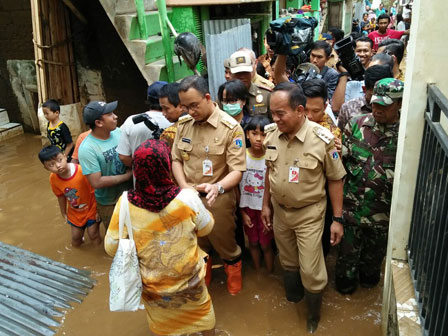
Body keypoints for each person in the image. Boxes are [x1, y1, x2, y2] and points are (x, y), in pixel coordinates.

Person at [105, 140, 216, 336]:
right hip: (191, 284)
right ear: (166, 166)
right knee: (204, 324)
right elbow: (207, 228)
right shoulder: (187, 198)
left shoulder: (124, 204)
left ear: (138, 169)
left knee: (163, 329)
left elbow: (111, 247)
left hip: (154, 289)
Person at [261, 82, 346, 333]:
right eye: (272, 113)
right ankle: (294, 299)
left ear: (300, 110)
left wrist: (337, 219)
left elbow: (335, 179)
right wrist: (265, 205)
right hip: (280, 211)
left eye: (280, 113)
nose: (275, 119)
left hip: (310, 213)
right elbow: (270, 171)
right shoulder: (271, 134)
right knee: (287, 260)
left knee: (311, 269)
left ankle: (312, 315)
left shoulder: (322, 140)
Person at [171, 75, 246, 295]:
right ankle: (205, 282)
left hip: (218, 198)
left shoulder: (230, 128)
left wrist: (218, 187)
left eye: (194, 105)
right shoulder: (183, 125)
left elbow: (237, 170)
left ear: (207, 98)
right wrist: (184, 187)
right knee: (197, 244)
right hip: (189, 197)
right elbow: (176, 159)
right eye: (185, 107)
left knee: (225, 244)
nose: (189, 112)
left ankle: (234, 281)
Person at [335, 78, 404, 294]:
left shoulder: (406, 136)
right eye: (375, 103)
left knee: (370, 277)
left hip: (382, 220)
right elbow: (340, 169)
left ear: (400, 104)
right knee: (344, 279)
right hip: (351, 215)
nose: (378, 109)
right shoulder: (356, 125)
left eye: (385, 105)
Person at [301, 79, 342, 259]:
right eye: (305, 109)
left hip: (321, 193)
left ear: (325, 106)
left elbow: (335, 177)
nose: (309, 116)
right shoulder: (293, 123)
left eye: (315, 111)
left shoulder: (332, 135)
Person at [78, 101, 132, 230]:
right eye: (110, 114)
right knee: (116, 239)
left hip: (130, 195)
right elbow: (96, 182)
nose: (115, 116)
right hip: (109, 202)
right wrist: (128, 176)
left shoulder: (118, 133)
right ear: (99, 123)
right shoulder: (87, 148)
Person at [39, 145, 101, 247]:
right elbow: (60, 196)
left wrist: (98, 210)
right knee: (76, 238)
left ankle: (98, 254)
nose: (58, 165)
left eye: (59, 160)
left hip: (91, 208)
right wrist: (63, 213)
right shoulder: (53, 179)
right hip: (75, 212)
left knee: (93, 234)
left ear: (65, 156)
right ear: (46, 168)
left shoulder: (81, 171)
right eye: (51, 165)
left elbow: (95, 190)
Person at [239, 115, 274, 272]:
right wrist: (241, 213)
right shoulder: (241, 156)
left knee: (266, 245)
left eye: (263, 134)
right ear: (247, 135)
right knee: (252, 243)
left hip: (266, 209)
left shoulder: (271, 158)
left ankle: (269, 273)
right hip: (247, 209)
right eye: (254, 133)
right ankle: (258, 272)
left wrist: (270, 211)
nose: (259, 139)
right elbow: (235, 187)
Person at [117, 81, 172, 168]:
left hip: (142, 179)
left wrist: (141, 168)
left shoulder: (131, 121)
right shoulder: (176, 120)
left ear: (148, 99)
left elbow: (123, 157)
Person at [274, 41, 340, 102]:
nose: (314, 60)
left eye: (319, 57)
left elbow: (329, 98)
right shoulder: (303, 68)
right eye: (313, 55)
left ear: (327, 58)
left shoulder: (332, 74)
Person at [337, 64, 393, 131]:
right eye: (374, 96)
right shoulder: (349, 108)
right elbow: (340, 135)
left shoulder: (398, 108)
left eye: (384, 97)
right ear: (364, 89)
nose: (378, 102)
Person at [331, 36, 374, 114]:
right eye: (359, 51)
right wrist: (344, 74)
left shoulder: (376, 72)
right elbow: (336, 107)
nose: (362, 54)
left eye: (365, 51)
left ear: (372, 52)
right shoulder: (341, 70)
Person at [229, 50, 272, 120]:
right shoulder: (224, 97)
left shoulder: (266, 95)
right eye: (238, 72)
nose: (242, 76)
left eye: (245, 72)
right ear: (230, 73)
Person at [158, 82, 184, 149]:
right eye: (162, 109)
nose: (163, 113)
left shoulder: (169, 134)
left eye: (166, 108)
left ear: (181, 106)